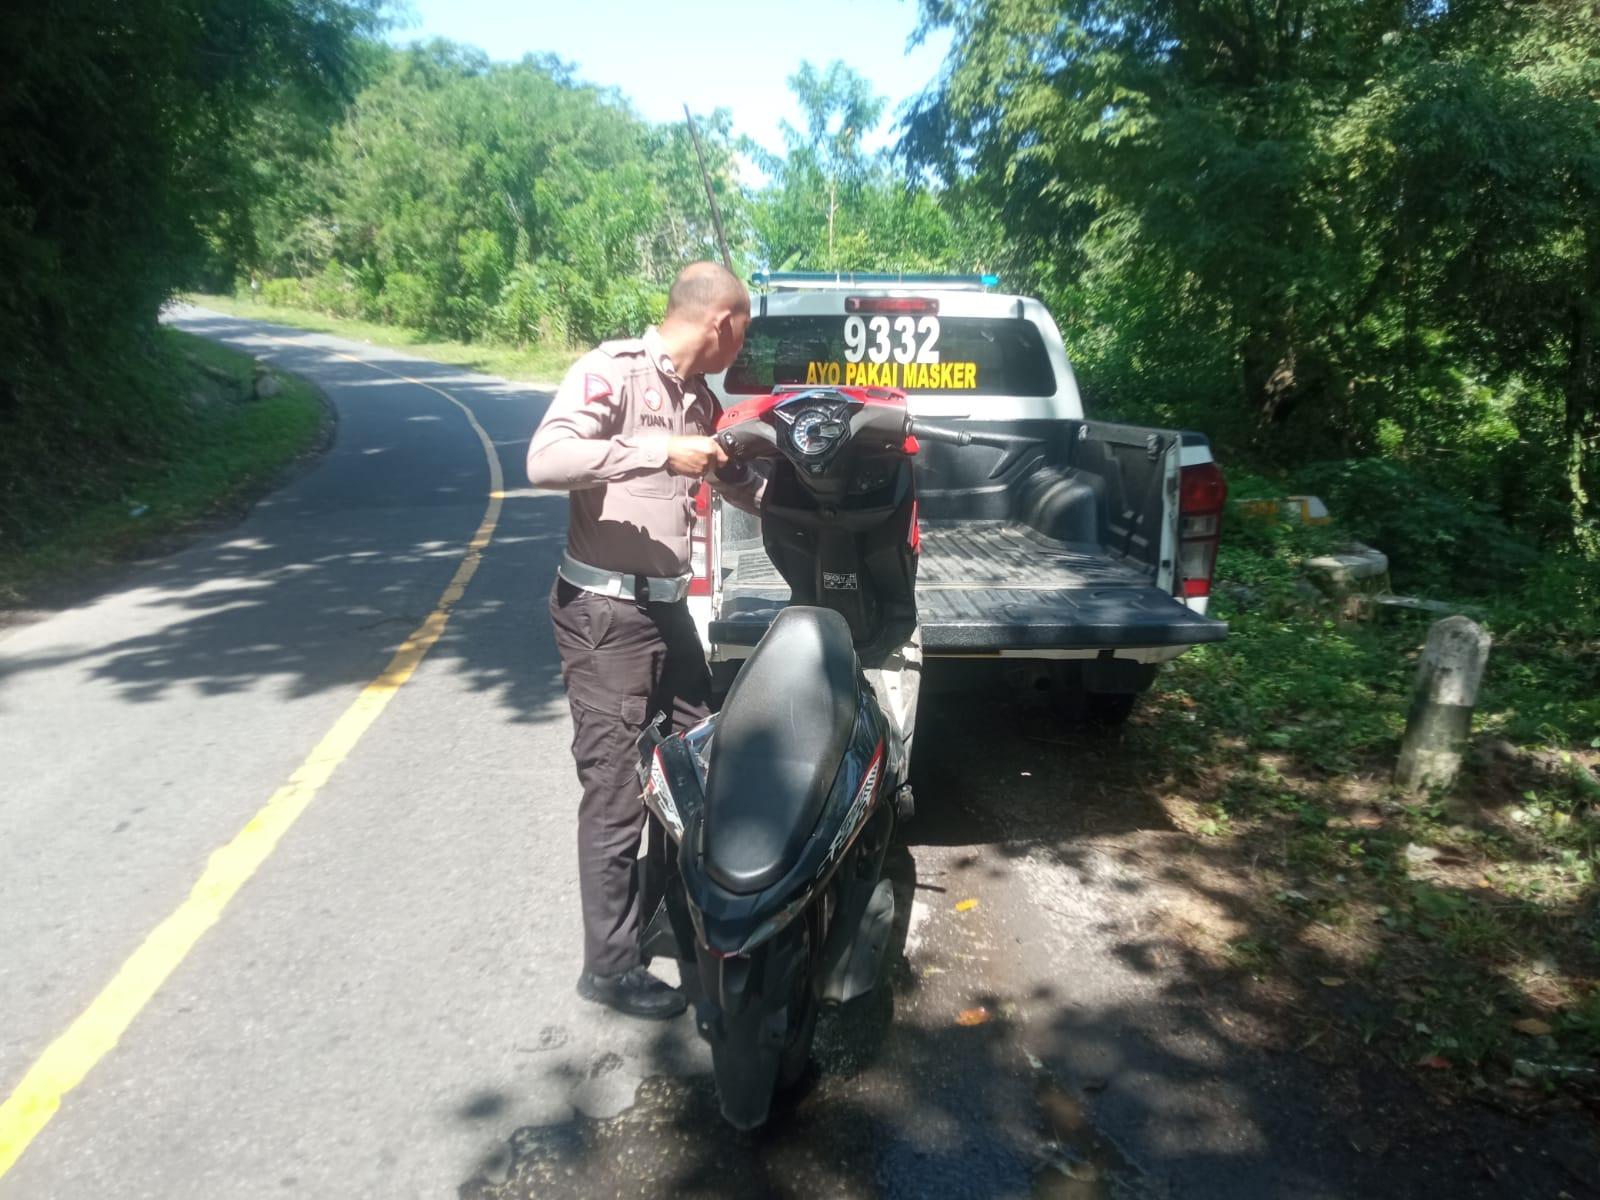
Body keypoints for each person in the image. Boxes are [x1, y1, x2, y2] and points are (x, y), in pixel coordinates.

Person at [527, 262, 758, 1019]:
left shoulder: (700, 398)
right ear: (720, 322)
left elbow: (717, 481)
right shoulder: (612, 372)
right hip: (603, 615)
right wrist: (661, 449)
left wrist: (751, 469)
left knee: (698, 762)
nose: (743, 343)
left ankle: (679, 913)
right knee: (616, 792)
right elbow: (546, 461)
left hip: (665, 614)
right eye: (745, 328)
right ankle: (611, 965)